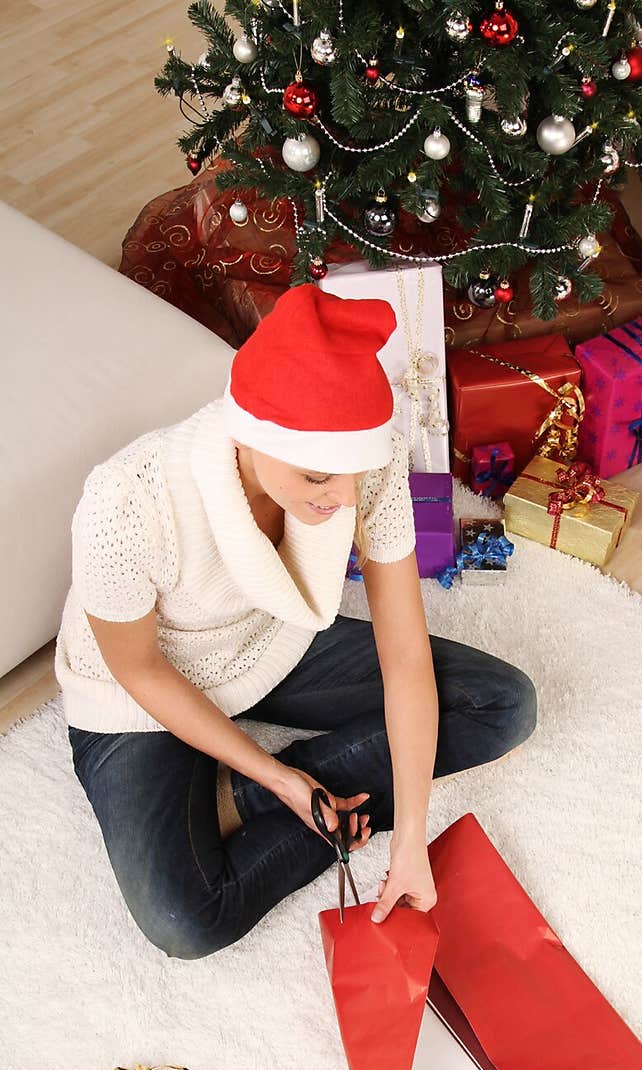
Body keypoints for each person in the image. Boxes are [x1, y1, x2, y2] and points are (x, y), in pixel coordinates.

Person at [55, 284, 537, 960]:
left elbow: (404, 656)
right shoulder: (127, 502)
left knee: (504, 705)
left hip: (267, 641)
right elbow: (135, 667)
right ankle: (254, 794)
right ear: (250, 438)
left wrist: (410, 843)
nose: (343, 499)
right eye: (317, 480)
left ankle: (258, 790)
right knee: (185, 920)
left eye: (353, 475)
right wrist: (277, 782)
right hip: (145, 692)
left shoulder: (364, 464)